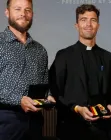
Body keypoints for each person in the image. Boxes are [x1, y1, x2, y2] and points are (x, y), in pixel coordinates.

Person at [49, 4, 111, 140]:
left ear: (98, 25)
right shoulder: (64, 55)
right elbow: (56, 91)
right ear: (77, 25)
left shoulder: (108, 57)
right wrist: (76, 108)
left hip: (102, 130)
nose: (88, 24)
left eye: (93, 20)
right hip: (71, 129)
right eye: (83, 20)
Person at [0, 0, 55, 140]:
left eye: (27, 10)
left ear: (32, 14)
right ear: (7, 12)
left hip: (35, 123)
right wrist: (19, 100)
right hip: (5, 121)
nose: (23, 14)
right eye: (18, 9)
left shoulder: (40, 50)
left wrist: (47, 97)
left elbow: (43, 84)